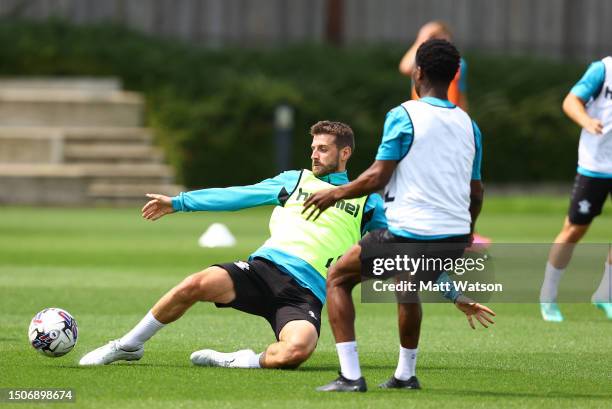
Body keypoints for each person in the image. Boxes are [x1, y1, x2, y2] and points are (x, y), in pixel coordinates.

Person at [79, 121, 388, 369]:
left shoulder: (366, 200)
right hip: (262, 271)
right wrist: (180, 203)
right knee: (195, 283)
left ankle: (238, 360)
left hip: (306, 294)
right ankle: (128, 345)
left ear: (345, 153)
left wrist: (433, 272)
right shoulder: (295, 181)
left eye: (322, 149)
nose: (314, 155)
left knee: (296, 352)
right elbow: (238, 195)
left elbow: (399, 242)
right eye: (313, 148)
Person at [303, 39, 496, 392]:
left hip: (408, 233)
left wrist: (335, 193)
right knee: (406, 286)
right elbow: (476, 191)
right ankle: (405, 376)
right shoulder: (471, 126)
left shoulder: (404, 115)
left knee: (338, 279)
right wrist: (467, 233)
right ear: (454, 76)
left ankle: (349, 376)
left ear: (417, 72)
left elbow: (378, 175)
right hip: (451, 237)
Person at [540, 57, 612, 322]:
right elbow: (571, 101)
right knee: (575, 229)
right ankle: (548, 295)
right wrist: (586, 121)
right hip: (596, 165)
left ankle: (606, 294)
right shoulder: (603, 70)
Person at [399, 21, 469, 111]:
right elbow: (405, 68)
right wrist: (422, 39)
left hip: (449, 113)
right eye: (433, 37)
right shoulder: (420, 62)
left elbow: (461, 95)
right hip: (422, 113)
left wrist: (464, 117)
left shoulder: (458, 63)